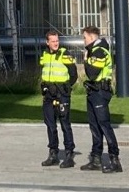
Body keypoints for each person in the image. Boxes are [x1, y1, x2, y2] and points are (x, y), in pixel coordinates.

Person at [79, 25, 122, 173]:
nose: (83, 41)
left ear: (91, 37)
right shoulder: (94, 51)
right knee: (94, 126)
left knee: (104, 125)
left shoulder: (100, 51)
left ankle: (115, 159)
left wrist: (85, 59)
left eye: (84, 37)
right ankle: (96, 159)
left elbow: (91, 73)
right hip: (92, 91)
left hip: (100, 92)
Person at [39, 29, 77, 168]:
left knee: (65, 124)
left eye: (57, 41)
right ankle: (53, 153)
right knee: (50, 125)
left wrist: (65, 88)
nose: (56, 43)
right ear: (47, 42)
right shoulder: (44, 55)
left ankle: (69, 154)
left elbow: (73, 74)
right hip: (48, 94)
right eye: (53, 41)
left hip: (62, 94)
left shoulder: (65, 54)